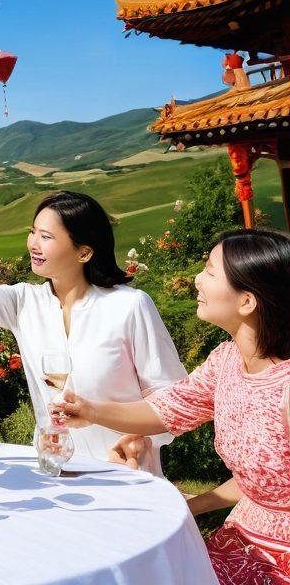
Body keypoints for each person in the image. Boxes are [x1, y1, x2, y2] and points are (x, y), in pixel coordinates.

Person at [0, 190, 187, 474]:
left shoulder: (129, 306)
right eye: (33, 232)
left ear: (84, 252)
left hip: (125, 471)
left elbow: (172, 400)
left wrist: (138, 437)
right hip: (54, 473)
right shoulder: (24, 302)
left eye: (46, 236)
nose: (33, 244)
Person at [54, 229, 290, 583]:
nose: (197, 279)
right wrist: (90, 411)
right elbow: (168, 409)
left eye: (210, 271)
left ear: (246, 302)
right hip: (241, 540)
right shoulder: (225, 361)